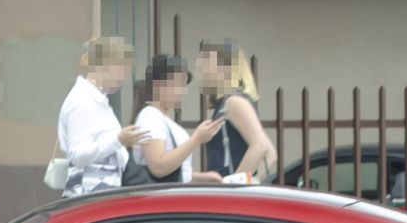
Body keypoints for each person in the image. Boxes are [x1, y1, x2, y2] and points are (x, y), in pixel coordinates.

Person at [58, 36, 142, 196]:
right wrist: (118, 140)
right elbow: (77, 155)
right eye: (121, 70)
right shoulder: (83, 101)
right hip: (88, 193)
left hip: (98, 191)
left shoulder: (96, 99)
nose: (122, 78)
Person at [132, 54, 223, 184]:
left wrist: (201, 177)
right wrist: (196, 139)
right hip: (160, 199)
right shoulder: (151, 115)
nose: (182, 91)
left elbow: (174, 171)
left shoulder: (162, 117)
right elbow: (158, 167)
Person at [195, 41, 277, 183]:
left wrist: (232, 186)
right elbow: (270, 153)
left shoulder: (233, 101)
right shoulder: (234, 99)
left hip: (227, 191)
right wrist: (252, 180)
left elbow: (261, 146)